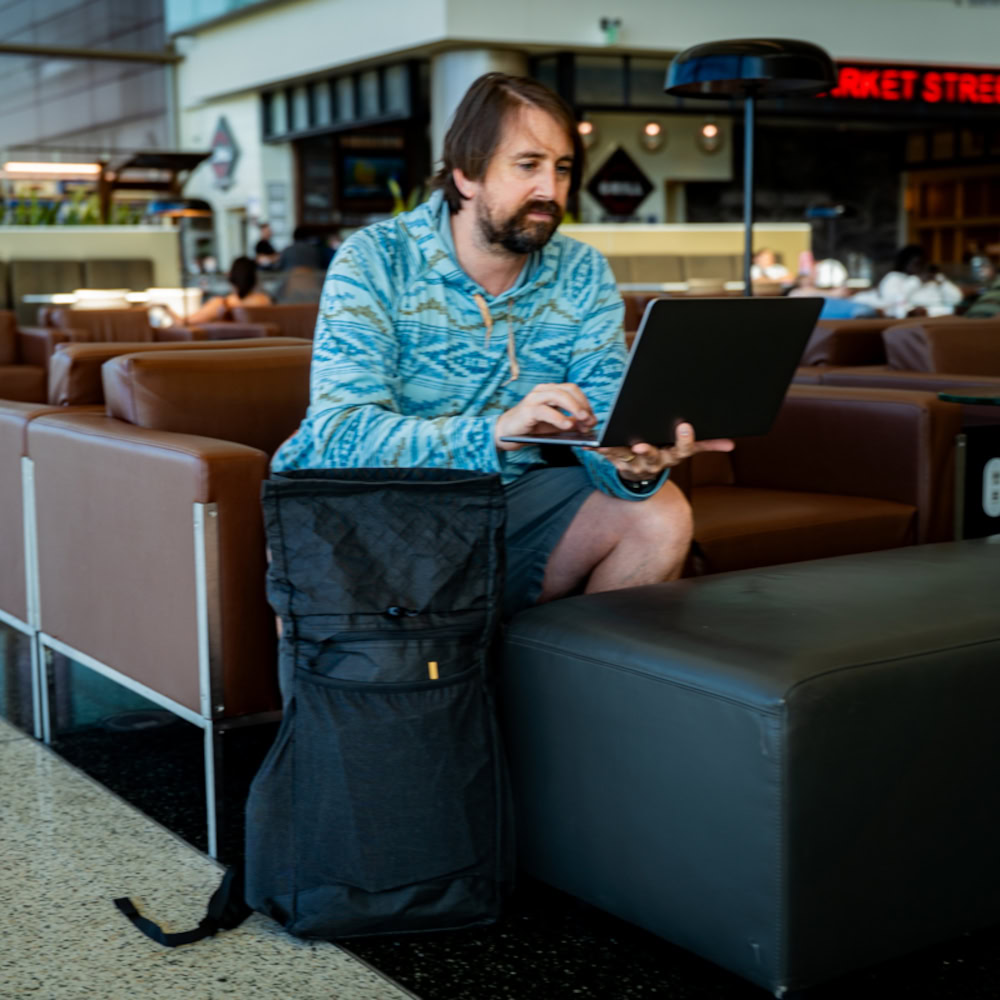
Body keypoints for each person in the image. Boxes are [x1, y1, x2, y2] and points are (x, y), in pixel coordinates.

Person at [271, 72, 733, 617]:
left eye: (561, 169)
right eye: (527, 165)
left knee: (660, 513)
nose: (550, 190)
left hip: (508, 505)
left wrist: (634, 464)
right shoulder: (376, 259)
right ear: (466, 174)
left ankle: (586, 697)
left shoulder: (580, 271)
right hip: (379, 511)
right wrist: (494, 434)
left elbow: (607, 419)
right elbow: (340, 436)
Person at [853, 244, 962, 319]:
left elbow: (957, 298)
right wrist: (917, 280)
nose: (921, 267)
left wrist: (941, 281)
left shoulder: (934, 278)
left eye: (923, 263)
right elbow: (893, 300)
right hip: (914, 318)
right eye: (916, 263)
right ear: (905, 264)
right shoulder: (895, 277)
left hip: (941, 315)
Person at [167, 256, 271, 325]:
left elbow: (183, 323)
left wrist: (165, 308)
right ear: (255, 278)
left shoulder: (221, 304)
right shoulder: (265, 301)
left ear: (231, 276)